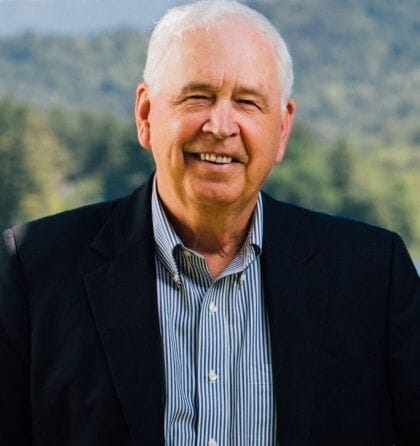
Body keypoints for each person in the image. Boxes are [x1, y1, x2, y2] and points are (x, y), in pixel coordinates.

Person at [1, 0, 419, 444]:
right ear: (145, 115)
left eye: (247, 102)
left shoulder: (375, 276)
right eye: (197, 96)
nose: (220, 126)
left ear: (281, 130)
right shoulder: (33, 272)